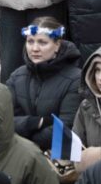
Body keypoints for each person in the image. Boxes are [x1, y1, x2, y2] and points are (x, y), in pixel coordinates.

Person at [6, 18, 81, 150]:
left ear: (57, 45)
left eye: (42, 42)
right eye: (30, 41)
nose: (35, 49)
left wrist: (27, 140)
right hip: (18, 153)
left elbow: (65, 128)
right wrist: (34, 123)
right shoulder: (17, 76)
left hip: (58, 156)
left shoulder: (75, 79)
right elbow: (3, 122)